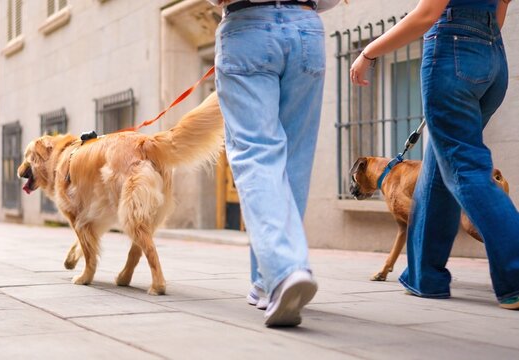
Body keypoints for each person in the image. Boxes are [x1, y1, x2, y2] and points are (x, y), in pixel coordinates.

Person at [351, 0, 519, 310]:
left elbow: (427, 14)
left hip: (453, 50)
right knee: (440, 162)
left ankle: (515, 275)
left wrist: (368, 53)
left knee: (463, 165)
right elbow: (500, 9)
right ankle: (425, 276)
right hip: (493, 58)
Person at [209, 0, 340, 327]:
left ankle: (284, 271)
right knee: (294, 160)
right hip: (305, 27)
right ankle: (267, 282)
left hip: (247, 27)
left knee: (257, 153)